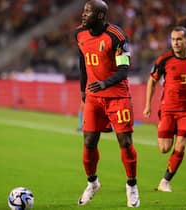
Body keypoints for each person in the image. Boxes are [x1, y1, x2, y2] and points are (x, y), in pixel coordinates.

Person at [74, 0, 140, 207]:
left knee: (125, 141)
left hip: (118, 97)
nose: (83, 15)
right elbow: (82, 62)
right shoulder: (80, 34)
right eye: (84, 11)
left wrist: (104, 83)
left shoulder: (117, 36)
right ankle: (92, 183)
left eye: (88, 12)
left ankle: (132, 186)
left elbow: (124, 69)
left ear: (101, 16)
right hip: (94, 97)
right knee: (88, 141)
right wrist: (83, 89)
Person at [143, 16, 186, 192]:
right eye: (173, 39)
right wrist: (148, 105)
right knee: (164, 148)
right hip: (168, 108)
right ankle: (171, 133)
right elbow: (152, 81)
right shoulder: (164, 59)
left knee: (181, 145)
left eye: (179, 39)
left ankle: (165, 182)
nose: (175, 43)